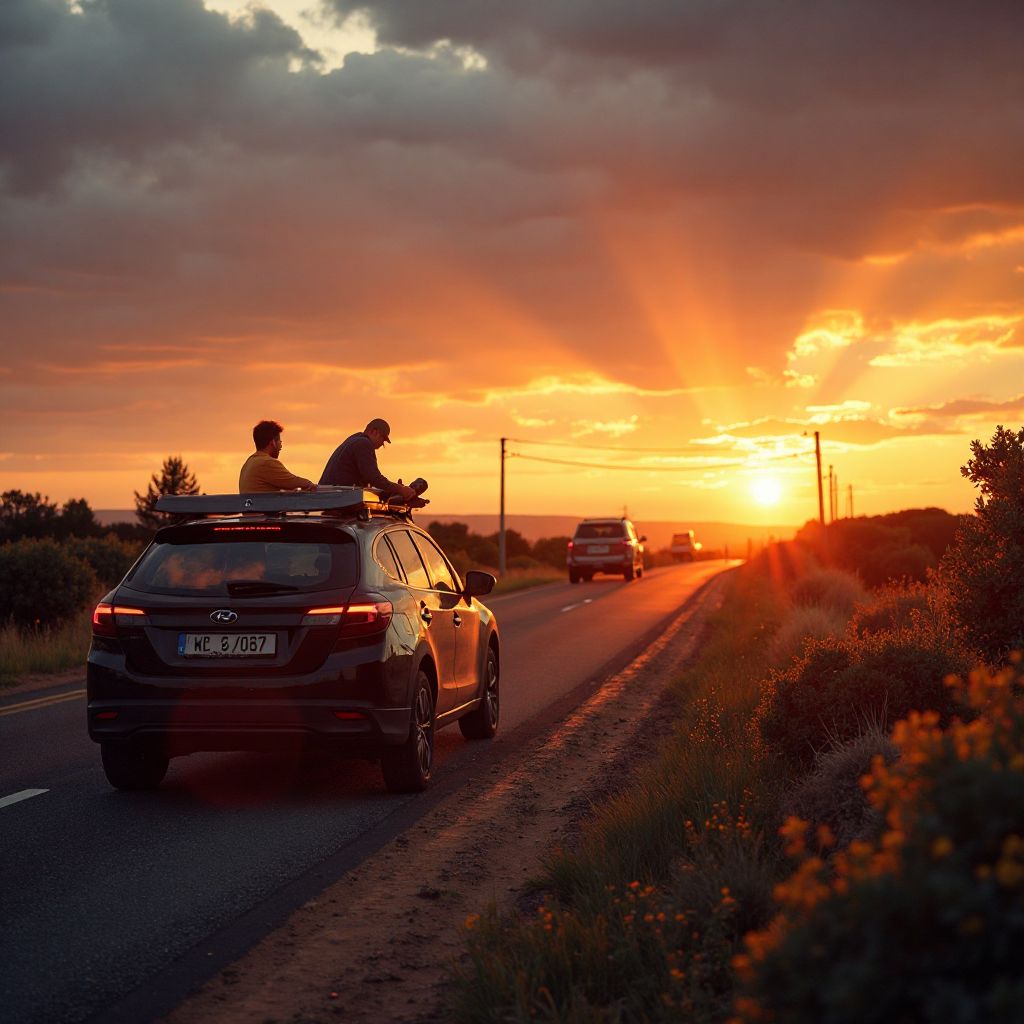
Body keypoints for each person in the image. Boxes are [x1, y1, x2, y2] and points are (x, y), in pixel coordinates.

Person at [319, 417, 416, 501]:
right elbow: (373, 478)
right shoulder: (364, 444)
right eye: (382, 439)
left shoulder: (354, 439)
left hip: (328, 495)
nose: (382, 444)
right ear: (374, 431)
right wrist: (400, 489)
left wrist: (392, 489)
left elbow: (368, 480)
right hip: (337, 498)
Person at [239, 420, 317, 493]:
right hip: (265, 507)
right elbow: (292, 481)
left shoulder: (249, 462)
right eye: (280, 441)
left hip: (255, 506)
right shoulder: (266, 463)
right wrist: (311, 484)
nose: (281, 446)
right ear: (273, 442)